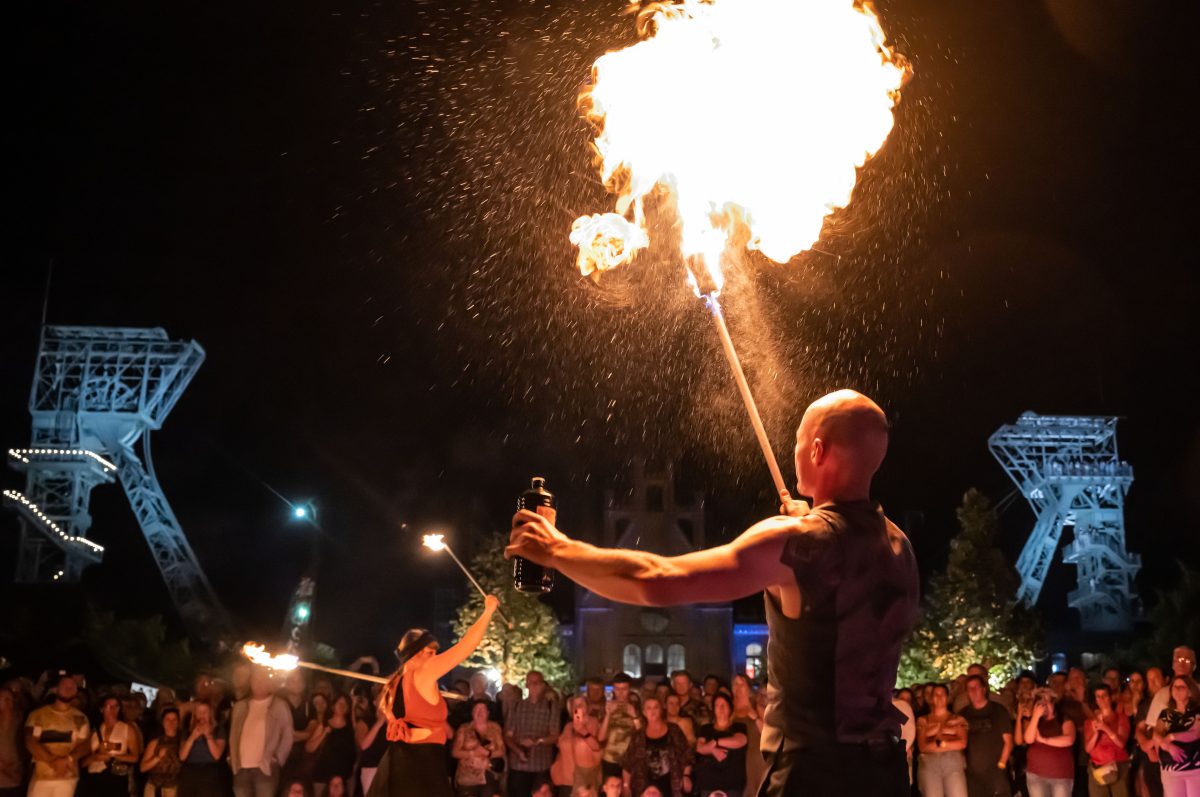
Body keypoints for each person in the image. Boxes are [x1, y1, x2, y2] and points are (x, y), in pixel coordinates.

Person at [509, 389, 920, 797]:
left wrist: (556, 548)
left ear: (817, 449)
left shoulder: (799, 542)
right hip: (884, 773)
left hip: (815, 774)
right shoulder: (898, 547)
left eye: (796, 442)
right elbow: (842, 570)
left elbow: (658, 578)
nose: (793, 453)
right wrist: (811, 526)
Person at [371, 595, 500, 797]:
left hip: (399, 763)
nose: (435, 657)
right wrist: (488, 611)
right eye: (431, 652)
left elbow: (407, 729)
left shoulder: (393, 684)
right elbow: (465, 647)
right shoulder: (423, 672)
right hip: (420, 766)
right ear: (418, 652)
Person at [228, 668, 293, 797]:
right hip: (241, 768)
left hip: (265, 768)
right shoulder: (239, 706)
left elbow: (287, 735)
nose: (259, 683)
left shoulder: (279, 705)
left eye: (263, 679)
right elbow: (233, 734)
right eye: (256, 679)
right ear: (250, 682)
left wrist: (278, 758)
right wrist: (231, 758)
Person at [26, 674, 92, 797]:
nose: (68, 688)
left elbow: (85, 745)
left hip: (67, 778)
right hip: (41, 777)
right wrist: (52, 761)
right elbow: (31, 741)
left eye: (72, 686)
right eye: (64, 685)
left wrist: (69, 759)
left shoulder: (81, 718)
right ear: (56, 689)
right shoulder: (38, 715)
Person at [620, 697, 691, 797]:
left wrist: (686, 776)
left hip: (671, 783)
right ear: (644, 712)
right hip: (643, 785)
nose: (652, 711)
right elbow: (628, 762)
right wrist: (626, 785)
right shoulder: (638, 734)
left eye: (656, 707)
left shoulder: (674, 730)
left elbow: (686, 754)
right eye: (649, 708)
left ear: (661, 710)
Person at [505, 671, 560, 797]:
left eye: (538, 683)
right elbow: (508, 735)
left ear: (543, 686)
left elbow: (554, 735)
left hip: (541, 766)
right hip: (519, 766)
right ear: (526, 685)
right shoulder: (516, 706)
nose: (534, 685)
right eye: (531, 682)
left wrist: (537, 741)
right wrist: (518, 750)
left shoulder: (551, 707)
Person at [959, 675, 1013, 797]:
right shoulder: (963, 714)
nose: (973, 691)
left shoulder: (998, 710)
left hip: (997, 773)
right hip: (973, 777)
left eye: (976, 687)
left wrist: (1001, 765)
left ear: (984, 689)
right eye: (969, 688)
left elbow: (1008, 742)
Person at [81, 695, 141, 797]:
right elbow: (83, 762)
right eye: (109, 706)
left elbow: (135, 757)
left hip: (115, 779)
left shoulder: (127, 729)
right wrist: (96, 757)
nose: (113, 709)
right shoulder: (94, 730)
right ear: (101, 709)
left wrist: (112, 756)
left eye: (116, 706)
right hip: (94, 779)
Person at [1021, 689, 1076, 797]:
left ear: (1053, 703)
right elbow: (1028, 739)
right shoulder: (1034, 721)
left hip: (1060, 776)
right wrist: (1035, 717)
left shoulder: (1063, 719)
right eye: (1041, 703)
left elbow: (1069, 739)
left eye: (1047, 702)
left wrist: (1044, 740)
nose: (1044, 706)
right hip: (1036, 775)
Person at [917, 684, 968, 797]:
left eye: (942, 695)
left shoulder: (957, 719)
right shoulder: (923, 720)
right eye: (936, 695)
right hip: (930, 764)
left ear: (948, 697)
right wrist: (949, 741)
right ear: (931, 698)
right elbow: (923, 746)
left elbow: (962, 743)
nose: (939, 697)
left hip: (953, 762)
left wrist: (939, 743)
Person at [694, 693, 748, 797]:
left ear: (730, 708)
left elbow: (740, 741)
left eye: (724, 705)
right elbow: (700, 748)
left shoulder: (738, 727)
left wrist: (716, 742)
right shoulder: (706, 729)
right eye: (717, 705)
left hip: (732, 784)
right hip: (709, 784)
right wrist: (713, 750)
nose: (721, 708)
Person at [1154, 676, 1200, 797]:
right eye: (1175, 687)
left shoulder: (1197, 712)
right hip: (1171, 770)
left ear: (1190, 691)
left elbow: (1195, 733)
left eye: (1182, 687)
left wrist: (1171, 737)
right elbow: (1157, 733)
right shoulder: (1166, 714)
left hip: (1195, 770)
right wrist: (1167, 746)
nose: (1177, 689)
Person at [453, 700, 506, 797]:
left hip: (489, 775)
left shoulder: (495, 727)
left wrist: (488, 753)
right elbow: (455, 752)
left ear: (488, 713)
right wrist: (473, 753)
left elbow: (502, 751)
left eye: (483, 709)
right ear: (472, 713)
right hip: (467, 776)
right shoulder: (464, 729)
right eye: (476, 709)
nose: (479, 712)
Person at [1084, 684, 1130, 797]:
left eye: (1104, 695)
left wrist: (1105, 728)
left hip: (1118, 766)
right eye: (1098, 696)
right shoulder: (1090, 722)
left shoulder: (1121, 718)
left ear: (1110, 697)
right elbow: (1088, 749)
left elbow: (1121, 743)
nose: (1101, 699)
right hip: (1098, 768)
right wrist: (1096, 733)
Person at [550, 697, 602, 797]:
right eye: (575, 705)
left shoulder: (593, 722)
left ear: (588, 707)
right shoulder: (568, 726)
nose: (578, 707)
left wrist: (582, 731)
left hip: (585, 778)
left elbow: (596, 747)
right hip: (566, 777)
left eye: (581, 704)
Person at [178, 700, 227, 797]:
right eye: (199, 712)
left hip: (209, 774)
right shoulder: (187, 732)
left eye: (205, 712)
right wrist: (192, 737)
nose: (202, 715)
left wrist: (208, 736)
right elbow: (182, 757)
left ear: (210, 714)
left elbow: (217, 755)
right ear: (195, 714)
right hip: (189, 773)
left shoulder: (218, 730)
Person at [309, 694, 355, 796]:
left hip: (344, 779)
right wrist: (324, 733)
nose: (342, 706)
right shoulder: (324, 725)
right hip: (323, 776)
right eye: (340, 703)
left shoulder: (351, 728)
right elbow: (309, 748)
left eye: (345, 704)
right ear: (333, 706)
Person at [599, 674, 640, 784]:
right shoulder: (606, 707)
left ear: (629, 689)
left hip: (630, 761)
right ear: (613, 689)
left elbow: (643, 736)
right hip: (609, 760)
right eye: (617, 689)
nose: (620, 693)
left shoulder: (637, 707)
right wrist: (608, 715)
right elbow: (601, 737)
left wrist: (634, 716)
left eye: (624, 689)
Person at [730, 674, 765, 796]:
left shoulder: (757, 706)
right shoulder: (729, 708)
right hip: (736, 758)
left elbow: (768, 732)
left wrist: (755, 718)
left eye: (742, 683)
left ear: (748, 687)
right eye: (735, 683)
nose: (738, 687)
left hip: (755, 758)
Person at [353, 685, 388, 797]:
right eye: (381, 698)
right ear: (374, 702)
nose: (384, 701)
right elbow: (363, 745)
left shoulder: (392, 723)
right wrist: (379, 723)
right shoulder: (365, 721)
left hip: (387, 768)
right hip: (371, 768)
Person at [141, 707, 183, 797]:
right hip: (154, 788)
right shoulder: (155, 743)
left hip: (174, 788)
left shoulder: (182, 743)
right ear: (163, 722)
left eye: (174, 719)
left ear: (178, 722)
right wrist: (157, 758)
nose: (171, 723)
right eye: (168, 719)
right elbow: (143, 767)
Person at [0, 686, 24, 796]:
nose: (8, 701)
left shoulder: (21, 720)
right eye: (4, 699)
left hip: (16, 777)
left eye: (10, 698)